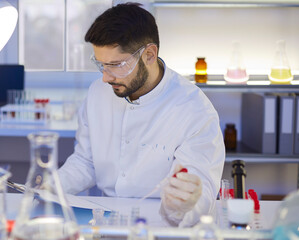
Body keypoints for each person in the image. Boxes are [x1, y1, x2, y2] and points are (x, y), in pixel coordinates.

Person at [58, 2, 225, 227]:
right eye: (101, 65)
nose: (106, 77)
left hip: (162, 225)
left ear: (149, 54)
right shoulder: (98, 92)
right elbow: (86, 161)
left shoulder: (194, 111)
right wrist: (50, 186)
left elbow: (200, 192)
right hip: (105, 222)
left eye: (116, 65)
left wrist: (181, 203)